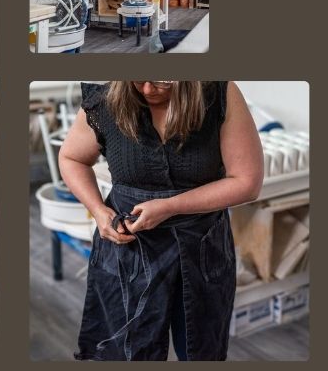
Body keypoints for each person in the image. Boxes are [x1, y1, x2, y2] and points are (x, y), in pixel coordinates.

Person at [58, 82, 263, 360]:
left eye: (163, 80)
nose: (147, 88)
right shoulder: (105, 98)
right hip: (128, 247)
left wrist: (170, 207)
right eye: (137, 78)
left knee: (201, 350)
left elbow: (247, 182)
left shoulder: (219, 93)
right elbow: (72, 158)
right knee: (123, 351)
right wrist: (98, 210)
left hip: (199, 246)